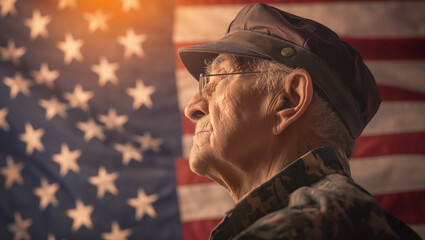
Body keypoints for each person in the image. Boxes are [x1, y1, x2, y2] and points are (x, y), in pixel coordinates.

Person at [178, 3, 420, 240]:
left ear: (289, 100)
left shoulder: (305, 228)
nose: (192, 108)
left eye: (216, 81)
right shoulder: (340, 218)